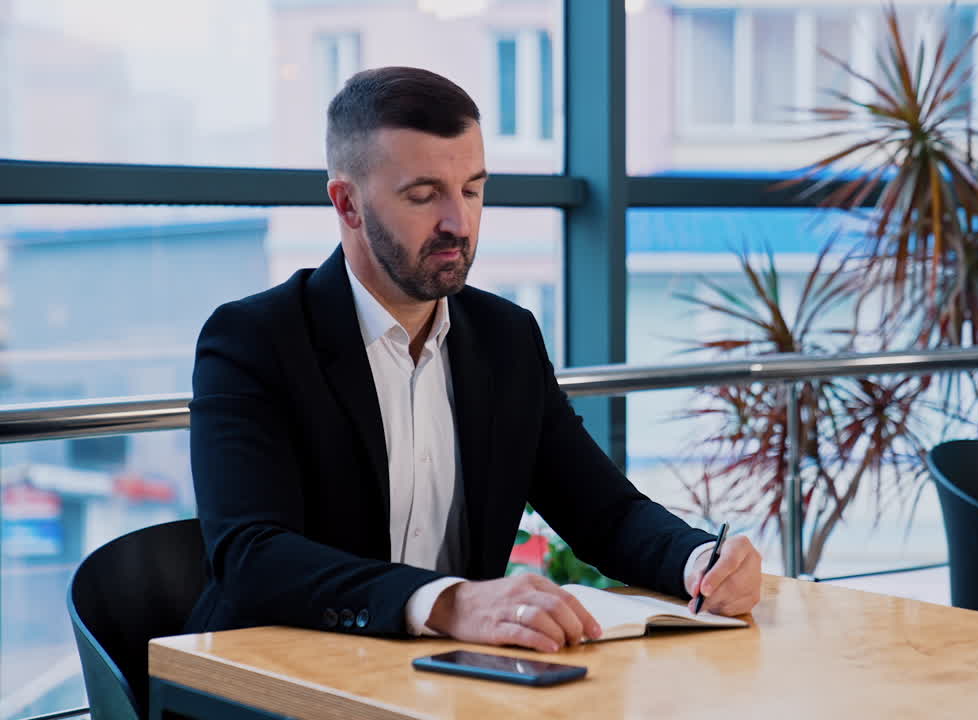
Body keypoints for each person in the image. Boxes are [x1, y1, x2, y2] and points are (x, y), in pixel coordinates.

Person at [185, 66, 762, 653]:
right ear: (347, 203)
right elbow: (251, 554)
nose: (458, 223)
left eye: (472, 189)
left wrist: (699, 562)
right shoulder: (255, 339)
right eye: (424, 194)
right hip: (277, 680)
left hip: (450, 683)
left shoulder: (505, 338)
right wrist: (447, 602)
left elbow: (604, 513)